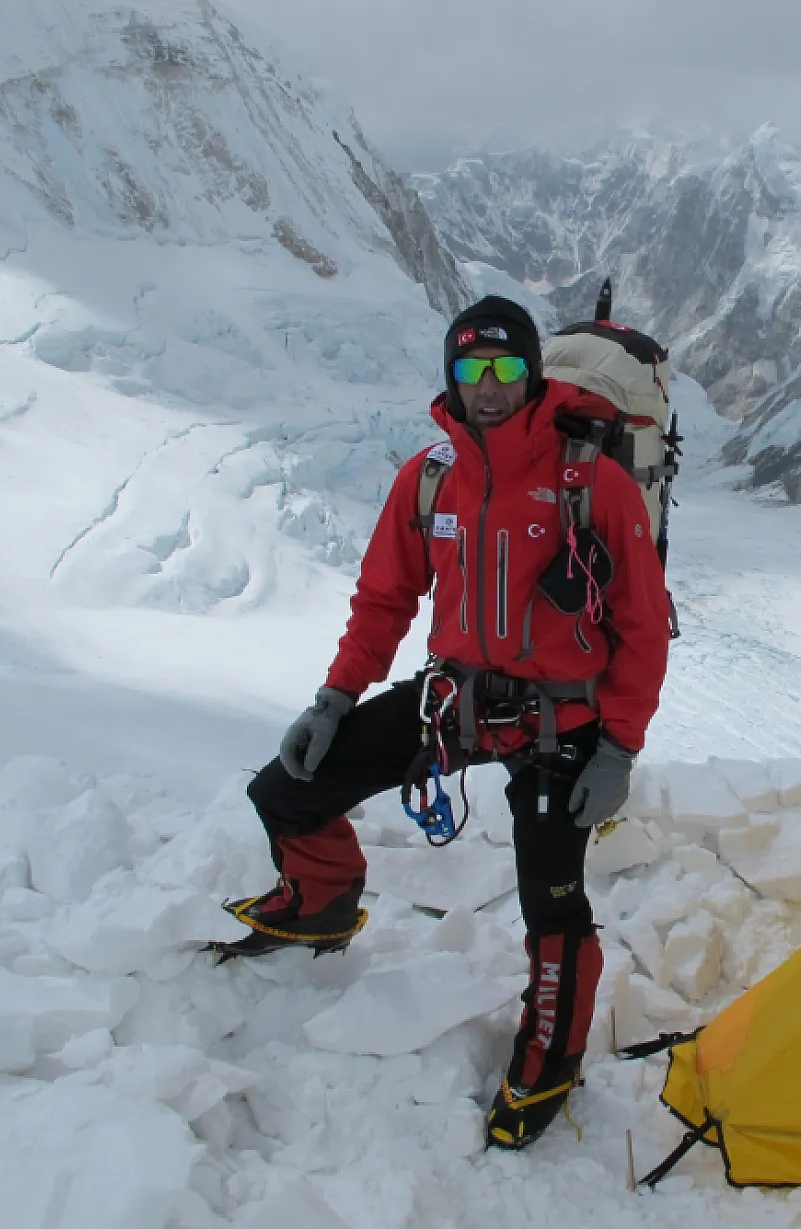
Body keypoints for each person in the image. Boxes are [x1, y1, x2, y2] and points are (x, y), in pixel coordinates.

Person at [217, 295, 672, 1150]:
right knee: (288, 790)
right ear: (452, 380)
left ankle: (552, 1054)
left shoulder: (590, 479)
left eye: (505, 368)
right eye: (472, 370)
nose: (490, 387)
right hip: (456, 703)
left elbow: (642, 625)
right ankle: (320, 901)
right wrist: (334, 701)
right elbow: (385, 599)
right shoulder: (430, 477)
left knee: (553, 898)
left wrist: (618, 746)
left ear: (531, 373)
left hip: (562, 723)